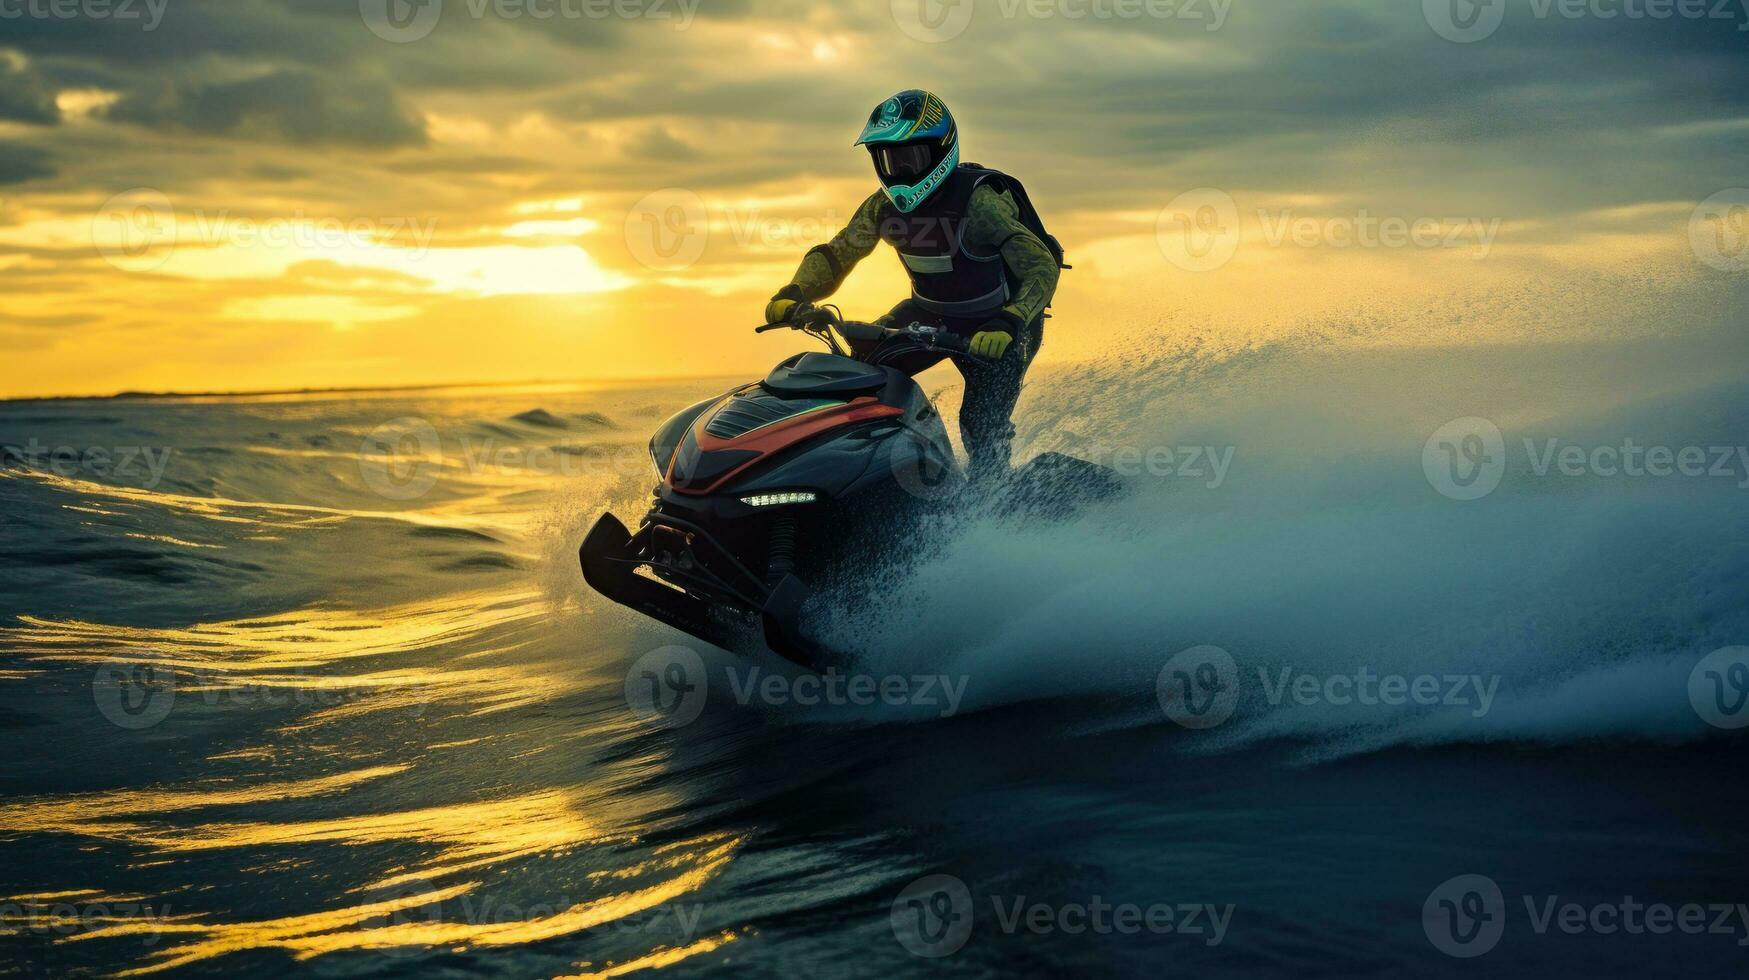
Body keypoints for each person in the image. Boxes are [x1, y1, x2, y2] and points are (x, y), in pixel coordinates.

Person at [764, 89, 1063, 481]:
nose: (900, 169)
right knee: (858, 378)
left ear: (941, 150)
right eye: (889, 158)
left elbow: (1040, 264)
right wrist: (795, 292)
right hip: (927, 313)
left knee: (979, 424)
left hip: (997, 326)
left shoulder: (980, 201)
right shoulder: (881, 206)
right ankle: (864, 476)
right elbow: (839, 254)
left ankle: (992, 501)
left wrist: (1011, 320)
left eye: (910, 156)